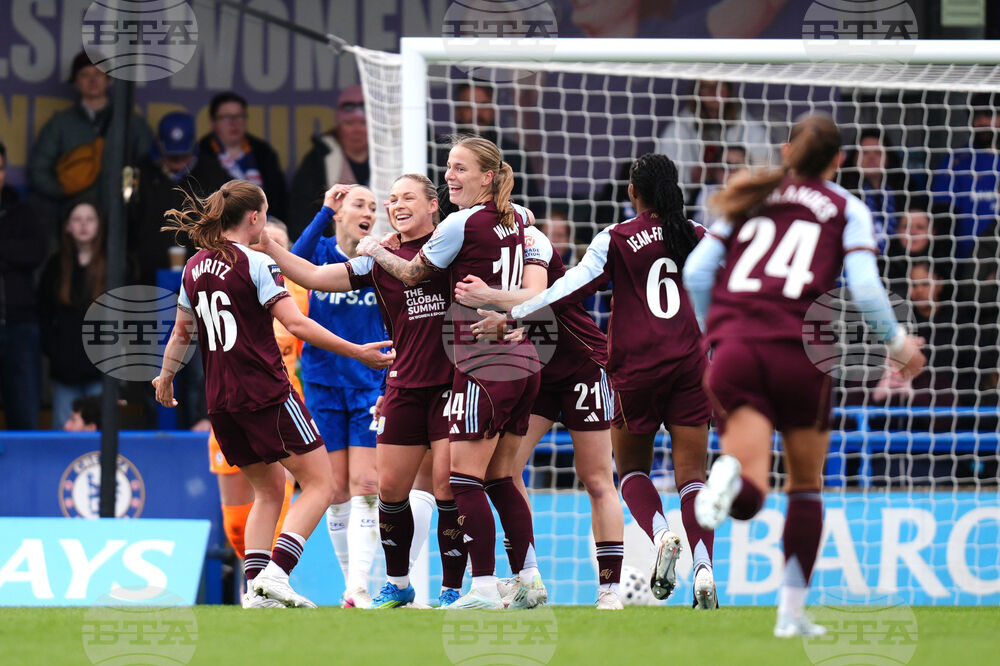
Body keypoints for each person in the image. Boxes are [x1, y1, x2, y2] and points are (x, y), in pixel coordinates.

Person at [682, 114, 925, 637]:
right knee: (805, 486)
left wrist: (714, 333)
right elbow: (863, 290)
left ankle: (727, 478)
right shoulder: (847, 208)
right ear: (840, 161)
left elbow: (697, 271)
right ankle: (790, 616)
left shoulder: (751, 194)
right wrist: (899, 345)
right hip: (802, 355)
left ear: (788, 151)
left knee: (750, 487)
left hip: (738, 351)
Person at [153, 179, 394, 609]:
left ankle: (255, 591)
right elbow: (297, 324)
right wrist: (356, 350)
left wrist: (165, 376)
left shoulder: (193, 267)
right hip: (266, 392)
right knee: (321, 483)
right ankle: (278, 575)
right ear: (254, 218)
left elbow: (181, 333)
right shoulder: (256, 263)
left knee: (270, 491)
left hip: (221, 402)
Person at [505, 154, 718, 608]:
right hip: (691, 366)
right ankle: (703, 567)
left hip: (638, 369)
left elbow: (574, 287)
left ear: (632, 192)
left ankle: (661, 537)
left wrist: (517, 311)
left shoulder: (617, 237)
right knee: (693, 479)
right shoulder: (699, 236)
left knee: (632, 471)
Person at [260, 175, 469, 608]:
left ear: (434, 205)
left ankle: (454, 588)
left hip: (447, 382)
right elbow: (314, 275)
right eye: (391, 199)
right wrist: (269, 245)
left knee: (444, 486)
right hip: (399, 385)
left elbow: (424, 272)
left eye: (405, 197)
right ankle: (395, 584)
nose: (394, 205)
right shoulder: (376, 259)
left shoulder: (451, 247)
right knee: (387, 489)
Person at [357, 136, 544, 610]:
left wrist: (373, 249)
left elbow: (413, 274)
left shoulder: (460, 223)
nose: (449, 175)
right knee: (501, 478)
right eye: (447, 167)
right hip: (525, 359)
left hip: (480, 361)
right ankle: (529, 577)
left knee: (462, 482)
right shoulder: (518, 221)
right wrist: (506, 305)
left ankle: (479, 588)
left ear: (487, 176)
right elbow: (540, 291)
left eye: (459, 168)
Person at [455, 205, 627, 610]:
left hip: (582, 365)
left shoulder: (531, 242)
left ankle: (610, 590)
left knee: (597, 477)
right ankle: (526, 577)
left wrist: (500, 307)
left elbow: (540, 298)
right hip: (536, 372)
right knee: (505, 472)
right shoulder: (479, 251)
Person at [291, 183, 385, 609]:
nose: (368, 211)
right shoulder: (322, 251)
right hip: (323, 379)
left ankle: (360, 585)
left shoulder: (380, 257)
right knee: (334, 489)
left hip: (368, 383)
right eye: (358, 204)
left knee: (366, 483)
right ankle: (352, 586)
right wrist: (322, 211)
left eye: (372, 206)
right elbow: (294, 260)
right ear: (340, 213)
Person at [205, 220, 304, 577]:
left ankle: (267, 585)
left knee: (277, 501)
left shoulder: (298, 291)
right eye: (261, 242)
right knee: (234, 524)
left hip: (278, 408)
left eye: (276, 244)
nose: (265, 249)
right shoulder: (221, 284)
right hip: (229, 405)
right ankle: (255, 580)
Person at [27, 51, 153, 237]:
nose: (92, 80)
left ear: (108, 79)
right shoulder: (60, 124)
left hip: (120, 220)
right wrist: (62, 190)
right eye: (85, 75)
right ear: (75, 82)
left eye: (98, 74)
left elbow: (145, 166)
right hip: (76, 221)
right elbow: (38, 170)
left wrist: (128, 197)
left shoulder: (131, 123)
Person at [128, 112, 232, 285]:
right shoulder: (137, 173)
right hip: (147, 276)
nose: (178, 160)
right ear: (159, 144)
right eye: (172, 155)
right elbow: (125, 222)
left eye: (183, 154)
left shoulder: (212, 172)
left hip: (202, 274)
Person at [38, 199, 107, 429]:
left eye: (90, 219)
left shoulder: (113, 265)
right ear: (67, 226)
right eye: (77, 219)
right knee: (64, 440)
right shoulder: (56, 266)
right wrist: (54, 352)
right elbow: (43, 314)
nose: (83, 225)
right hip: (65, 371)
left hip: (101, 370)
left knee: (101, 438)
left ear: (99, 225)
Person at [655, 79, 773, 205]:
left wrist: (738, 171)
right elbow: (663, 177)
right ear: (697, 92)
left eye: (719, 86)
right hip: (692, 203)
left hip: (740, 199)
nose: (714, 92)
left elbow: (766, 167)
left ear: (729, 90)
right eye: (706, 87)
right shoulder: (679, 128)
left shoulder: (748, 126)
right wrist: (690, 176)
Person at [430, 82, 538, 205]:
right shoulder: (439, 153)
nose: (477, 112)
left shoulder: (515, 154)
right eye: (469, 106)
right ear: (458, 111)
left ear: (493, 110)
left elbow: (532, 203)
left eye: (484, 105)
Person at [0, 141, 46, 429]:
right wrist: (10, 252)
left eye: (1, 168)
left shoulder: (23, 211)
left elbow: (35, 254)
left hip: (20, 326)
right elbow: (19, 255)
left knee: (25, 414)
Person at [288, 84, 370, 238]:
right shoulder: (318, 159)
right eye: (350, 123)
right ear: (338, 124)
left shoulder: (390, 158)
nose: (357, 129)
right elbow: (301, 212)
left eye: (363, 123)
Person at [197, 92, 288, 221]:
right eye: (226, 117)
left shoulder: (263, 153)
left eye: (239, 116)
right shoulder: (200, 154)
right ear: (213, 122)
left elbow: (279, 199)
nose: (233, 123)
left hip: (265, 229)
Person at [931, 92, 1000, 259]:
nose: (981, 122)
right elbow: (942, 218)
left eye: (989, 115)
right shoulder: (956, 162)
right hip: (967, 263)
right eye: (976, 116)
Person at [840, 128, 907, 251]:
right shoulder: (842, 192)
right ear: (854, 158)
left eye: (878, 153)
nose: (871, 158)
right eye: (865, 153)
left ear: (888, 157)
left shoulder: (906, 189)